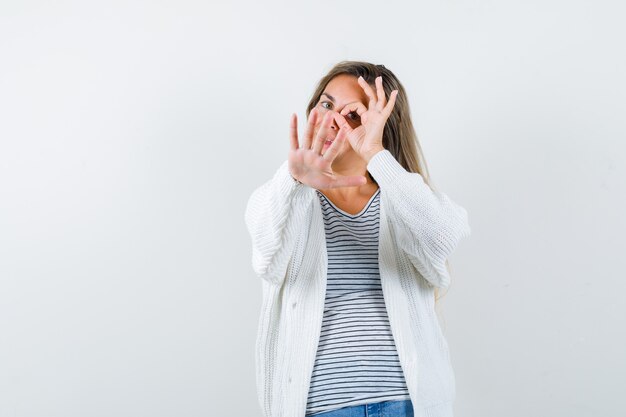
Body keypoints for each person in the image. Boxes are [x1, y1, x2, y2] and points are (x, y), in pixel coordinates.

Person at [244, 61, 471, 417]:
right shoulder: (283, 196)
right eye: (326, 103)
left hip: (404, 402)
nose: (333, 118)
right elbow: (267, 259)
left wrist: (375, 155)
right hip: (322, 406)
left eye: (353, 114)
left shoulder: (401, 196)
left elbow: (443, 237)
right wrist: (294, 180)